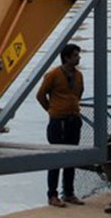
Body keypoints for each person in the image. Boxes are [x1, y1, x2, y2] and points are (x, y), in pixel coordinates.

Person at [37, 44, 85, 207]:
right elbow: (41, 95)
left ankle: (69, 193)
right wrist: (52, 110)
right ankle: (52, 194)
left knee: (71, 157)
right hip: (58, 122)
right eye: (75, 55)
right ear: (66, 58)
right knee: (56, 158)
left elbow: (79, 94)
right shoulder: (53, 74)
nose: (78, 58)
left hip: (73, 120)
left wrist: (72, 107)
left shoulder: (79, 76)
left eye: (78, 55)